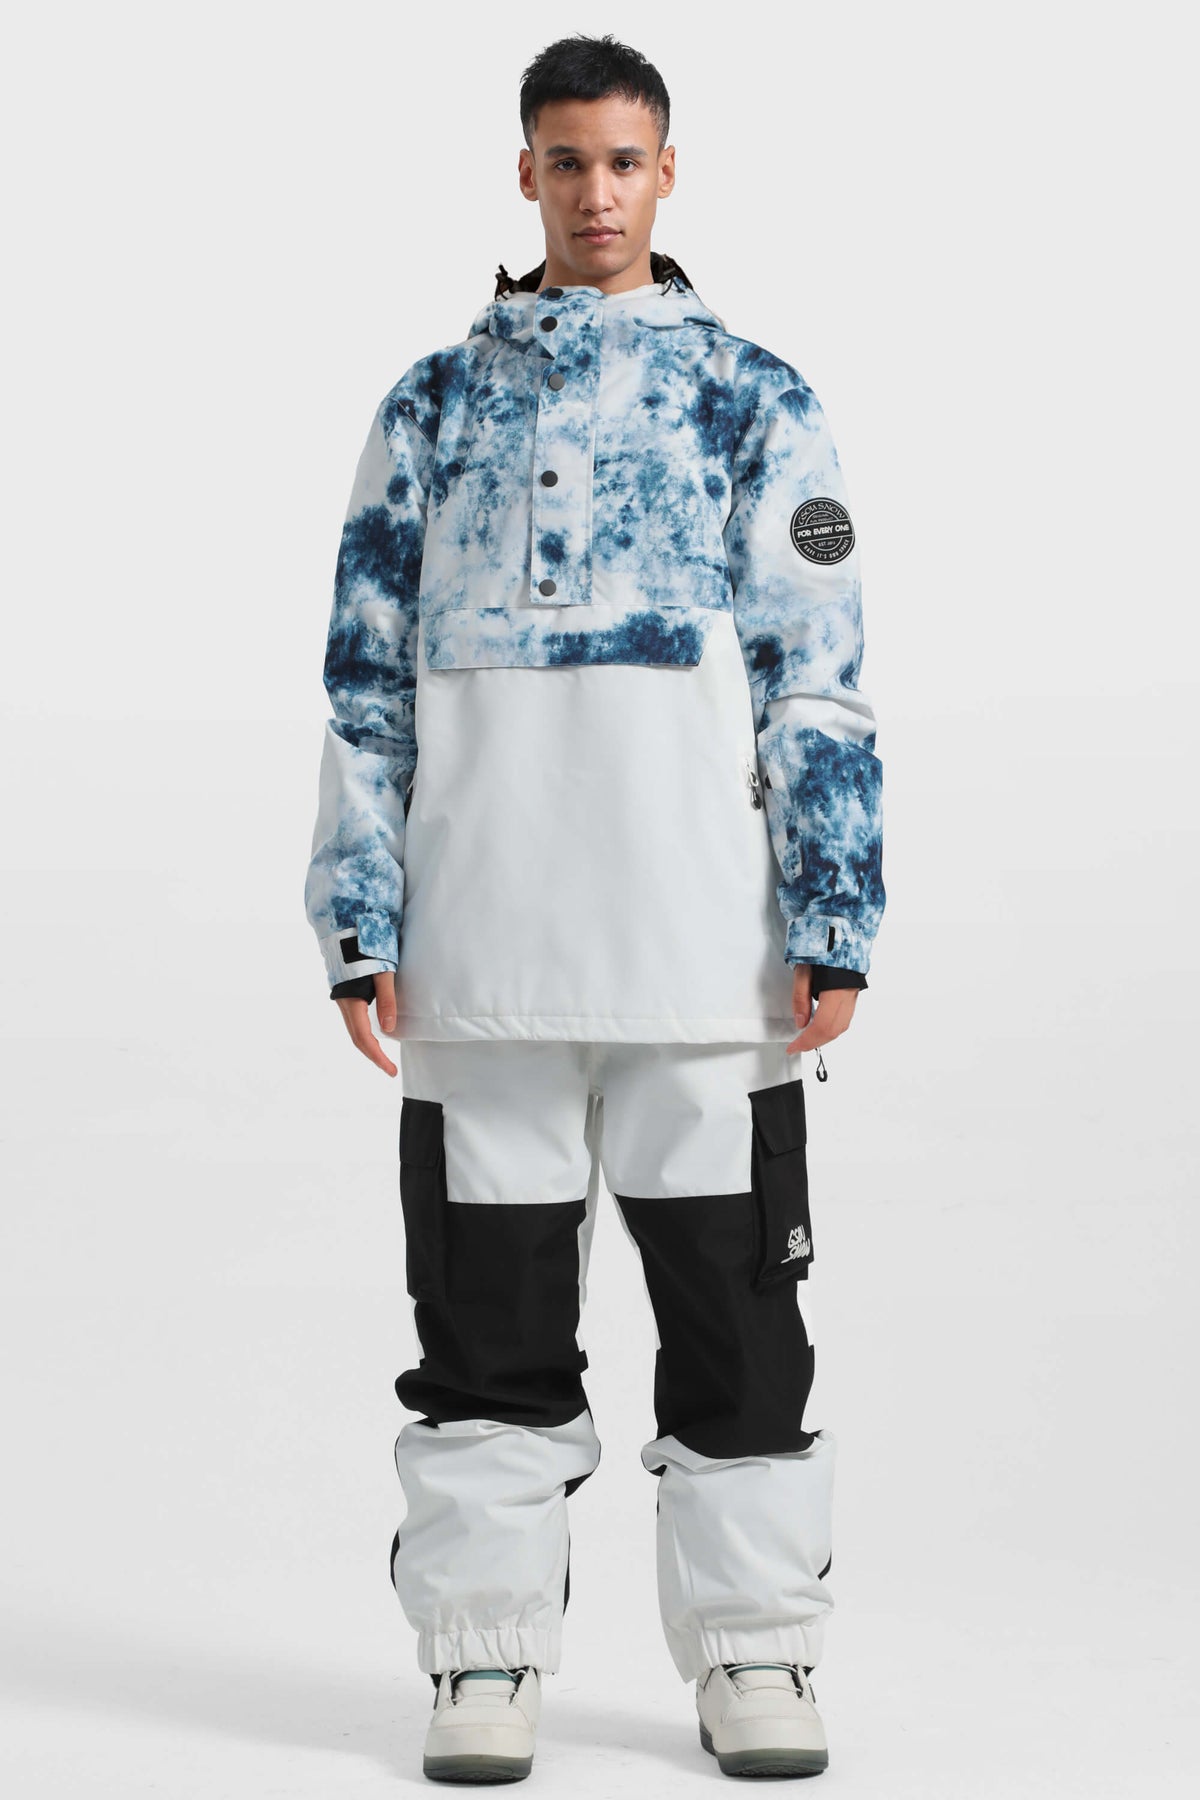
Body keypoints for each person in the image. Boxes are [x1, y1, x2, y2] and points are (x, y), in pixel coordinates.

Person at [303, 31, 884, 1786]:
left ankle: (758, 1650)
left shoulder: (753, 397)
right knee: (483, 1337)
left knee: (737, 1327)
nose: (596, 192)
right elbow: (363, 684)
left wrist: (835, 909)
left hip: (706, 962)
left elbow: (818, 674)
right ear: (527, 175)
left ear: (668, 171)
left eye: (624, 160)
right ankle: (483, 1657)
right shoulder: (432, 404)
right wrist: (359, 913)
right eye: (567, 160)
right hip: (481, 963)